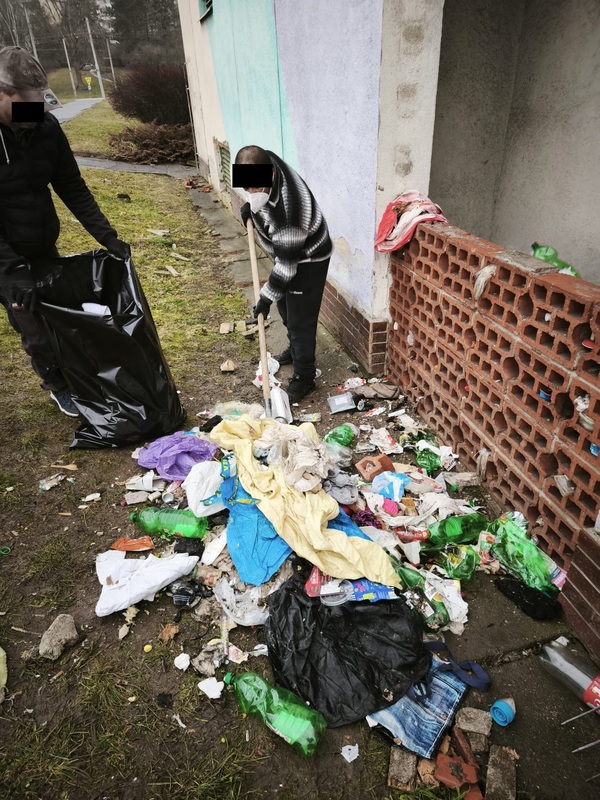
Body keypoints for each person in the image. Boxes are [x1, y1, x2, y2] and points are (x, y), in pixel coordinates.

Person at [0, 46, 130, 417]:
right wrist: (14, 270)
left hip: (41, 241)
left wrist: (106, 235)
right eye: (26, 105)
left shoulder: (44, 126)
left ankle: (76, 373)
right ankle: (58, 386)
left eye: (40, 103)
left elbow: (71, 186)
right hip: (4, 254)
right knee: (33, 324)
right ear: (2, 94)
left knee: (59, 314)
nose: (36, 112)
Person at [233, 145, 332, 403]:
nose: (252, 193)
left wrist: (264, 298)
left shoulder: (289, 211)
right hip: (288, 251)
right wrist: (252, 209)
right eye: (247, 189)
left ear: (270, 175)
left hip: (309, 256)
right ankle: (295, 349)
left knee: (300, 320)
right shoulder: (265, 160)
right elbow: (262, 197)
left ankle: (305, 376)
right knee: (285, 306)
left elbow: (287, 267)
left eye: (256, 188)